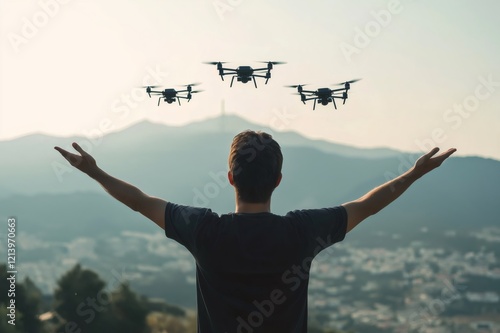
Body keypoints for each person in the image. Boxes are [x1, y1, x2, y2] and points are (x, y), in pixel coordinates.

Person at [55, 130, 456, 333]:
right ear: (278, 180)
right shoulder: (302, 232)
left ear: (230, 178)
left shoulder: (205, 231)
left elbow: (140, 201)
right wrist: (415, 173)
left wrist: (94, 171)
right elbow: (368, 205)